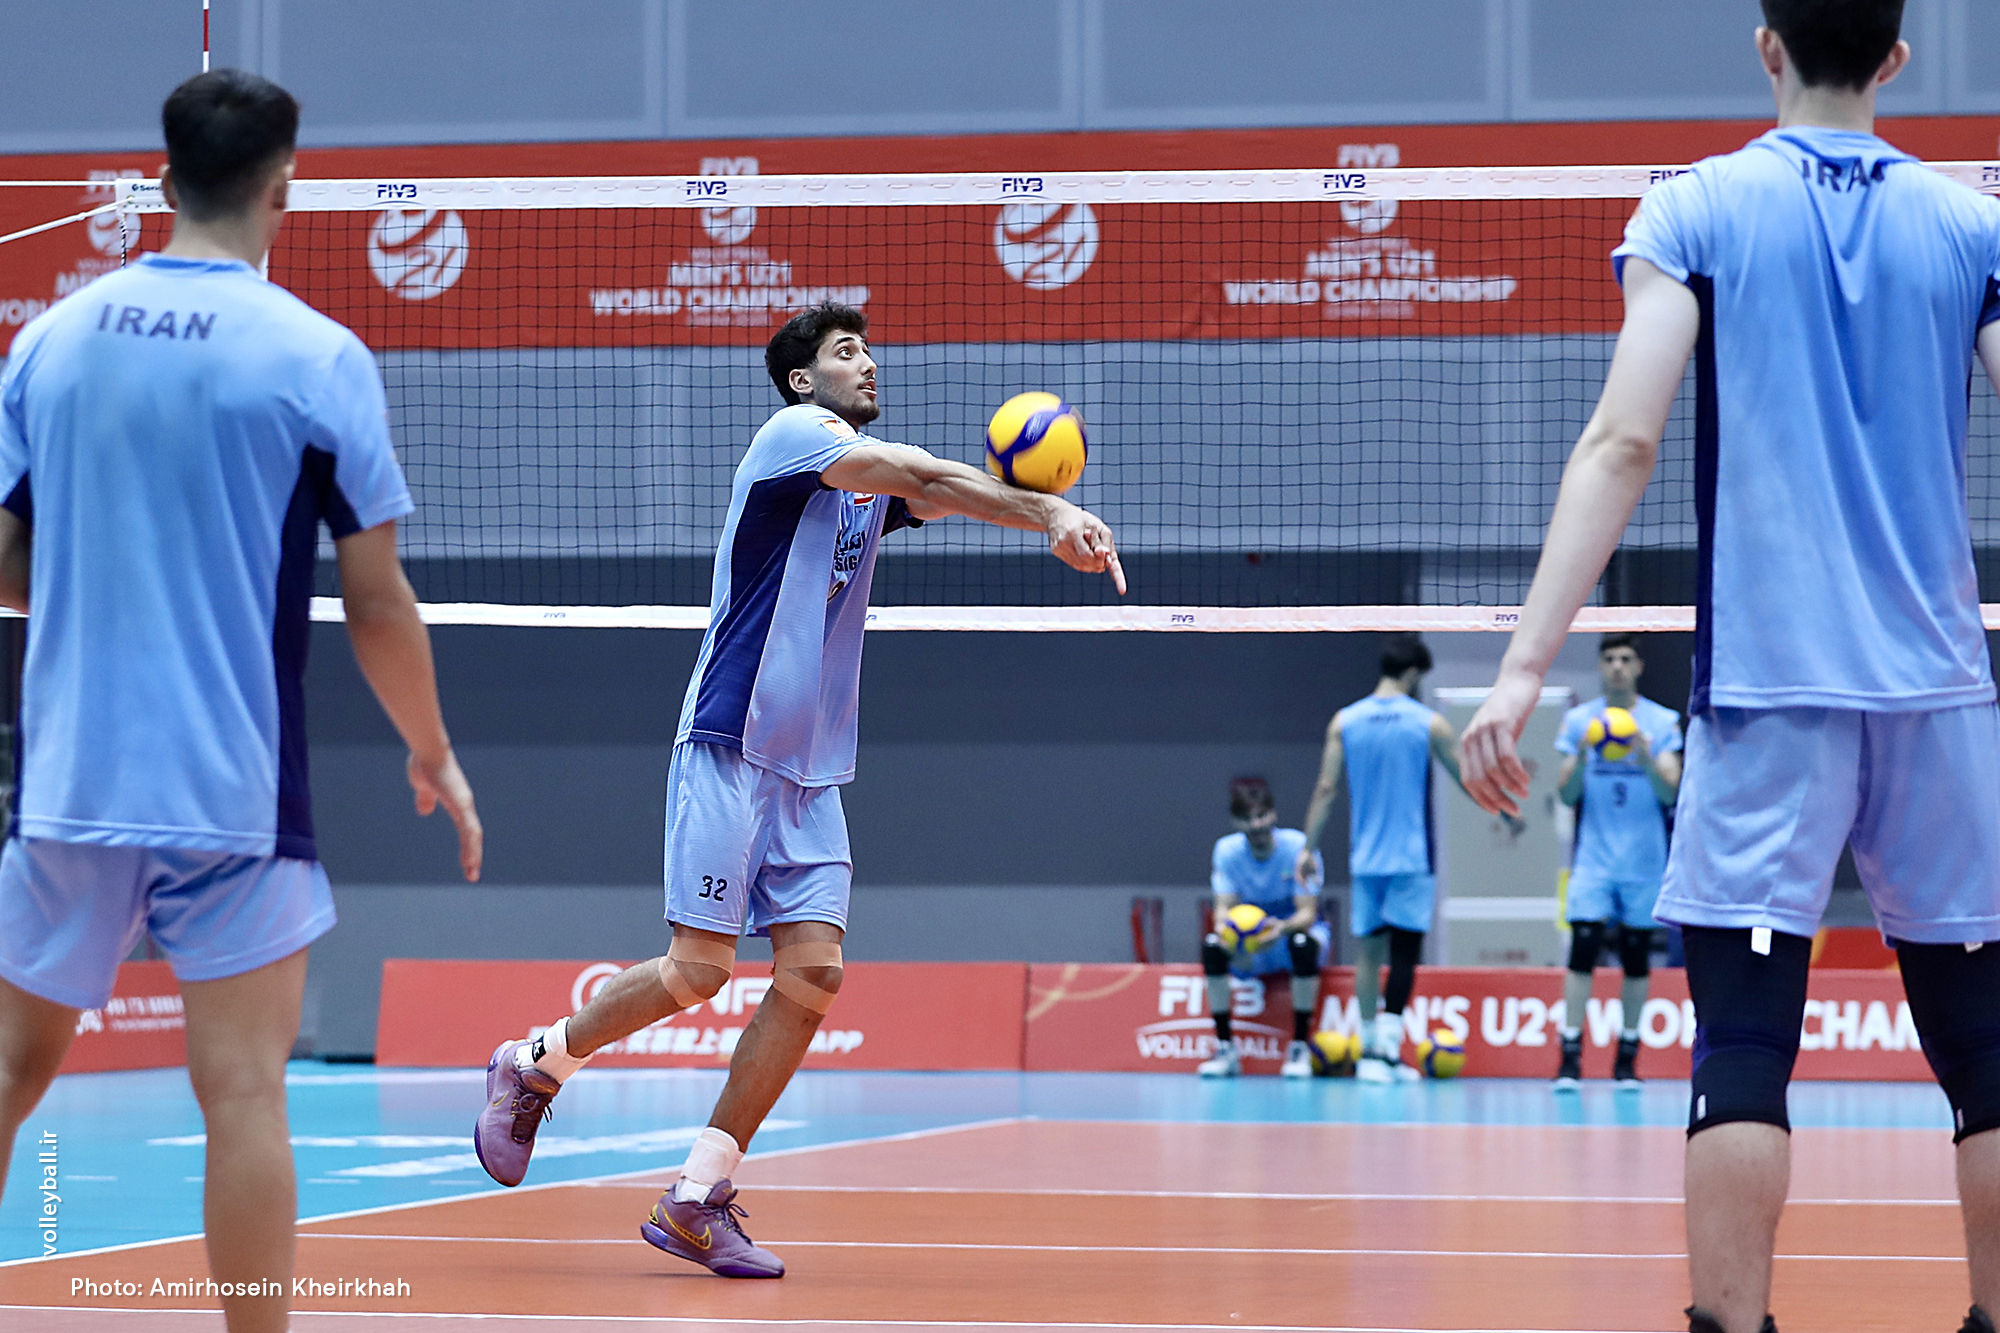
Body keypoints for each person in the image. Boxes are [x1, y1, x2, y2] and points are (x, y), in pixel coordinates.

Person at [1458, 4, 2000, 1331]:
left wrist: (1522, 670)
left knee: (1745, 1043)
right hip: (1940, 695)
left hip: (1766, 697)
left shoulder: (1693, 208)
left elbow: (1621, 444)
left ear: (1766, 46)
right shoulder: (1972, 224)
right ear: (1894, 58)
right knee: (1989, 1055)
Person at [474, 300, 1123, 1278]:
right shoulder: (792, 438)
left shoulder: (857, 493)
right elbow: (920, 475)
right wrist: (1050, 510)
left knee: (813, 976)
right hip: (731, 741)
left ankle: (697, 1195)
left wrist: (1039, 510)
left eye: (868, 350)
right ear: (801, 380)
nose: (867, 363)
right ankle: (535, 1064)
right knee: (697, 970)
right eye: (845, 352)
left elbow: (935, 494)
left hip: (810, 772)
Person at [0, 71, 481, 1333]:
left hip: (69, 777)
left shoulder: (48, 340)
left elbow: (5, 561)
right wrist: (431, 749)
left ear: (162, 179)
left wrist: (101, 587)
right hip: (234, 789)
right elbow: (375, 603)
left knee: (6, 1074)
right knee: (244, 1095)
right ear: (285, 188)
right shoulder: (317, 357)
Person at [1300, 634, 1481, 1083]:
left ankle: (1367, 1053)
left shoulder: (1345, 721)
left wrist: (1308, 847)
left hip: (1366, 859)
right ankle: (1385, 1052)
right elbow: (1465, 777)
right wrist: (1507, 814)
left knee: (1368, 953)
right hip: (1412, 859)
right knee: (1403, 955)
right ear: (1414, 673)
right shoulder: (1429, 723)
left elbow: (1326, 788)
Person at [1553, 633, 1683, 1089]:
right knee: (1582, 952)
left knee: (1635, 957)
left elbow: (1671, 792)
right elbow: (1565, 795)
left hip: (1643, 861)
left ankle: (1627, 1059)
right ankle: (1569, 1057)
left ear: (1639, 667)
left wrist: (1644, 755)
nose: (1617, 667)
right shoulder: (1579, 721)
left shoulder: (1662, 721)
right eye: (1609, 658)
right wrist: (1583, 753)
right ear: (1600, 666)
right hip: (1593, 861)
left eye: (1626, 659)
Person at [1196, 777, 1327, 1079]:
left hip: (1289, 935)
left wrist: (1280, 929)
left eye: (1261, 816)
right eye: (1246, 818)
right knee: (1212, 947)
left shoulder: (1299, 848)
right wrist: (1230, 938)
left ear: (1273, 814)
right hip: (1250, 942)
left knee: (1302, 944)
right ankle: (1226, 1049)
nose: (1255, 825)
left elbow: (1307, 914)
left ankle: (1299, 1047)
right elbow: (1222, 910)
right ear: (1235, 822)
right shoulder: (1226, 851)